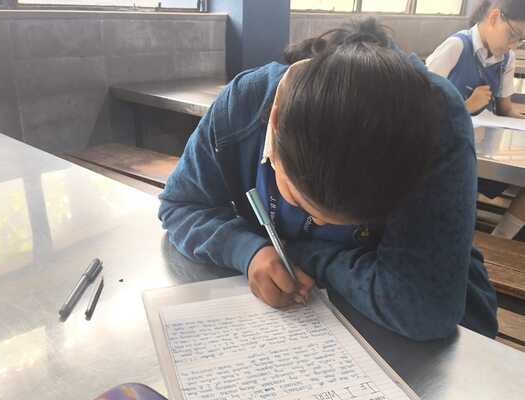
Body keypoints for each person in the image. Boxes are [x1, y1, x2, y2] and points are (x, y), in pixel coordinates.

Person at [159, 18, 498, 341]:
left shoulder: (437, 122)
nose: (318, 222)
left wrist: (297, 253)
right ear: (275, 124)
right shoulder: (244, 105)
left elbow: (422, 308)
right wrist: (246, 250)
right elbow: (180, 206)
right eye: (298, 199)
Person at [426, 0, 525, 240]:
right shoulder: (457, 46)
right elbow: (419, 107)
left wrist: (518, 117)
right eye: (512, 35)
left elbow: (504, 108)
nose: (513, 45)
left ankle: (500, 240)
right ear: (494, 17)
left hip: (483, 147)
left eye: (520, 41)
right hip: (446, 151)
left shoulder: (507, 58)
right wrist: (467, 105)